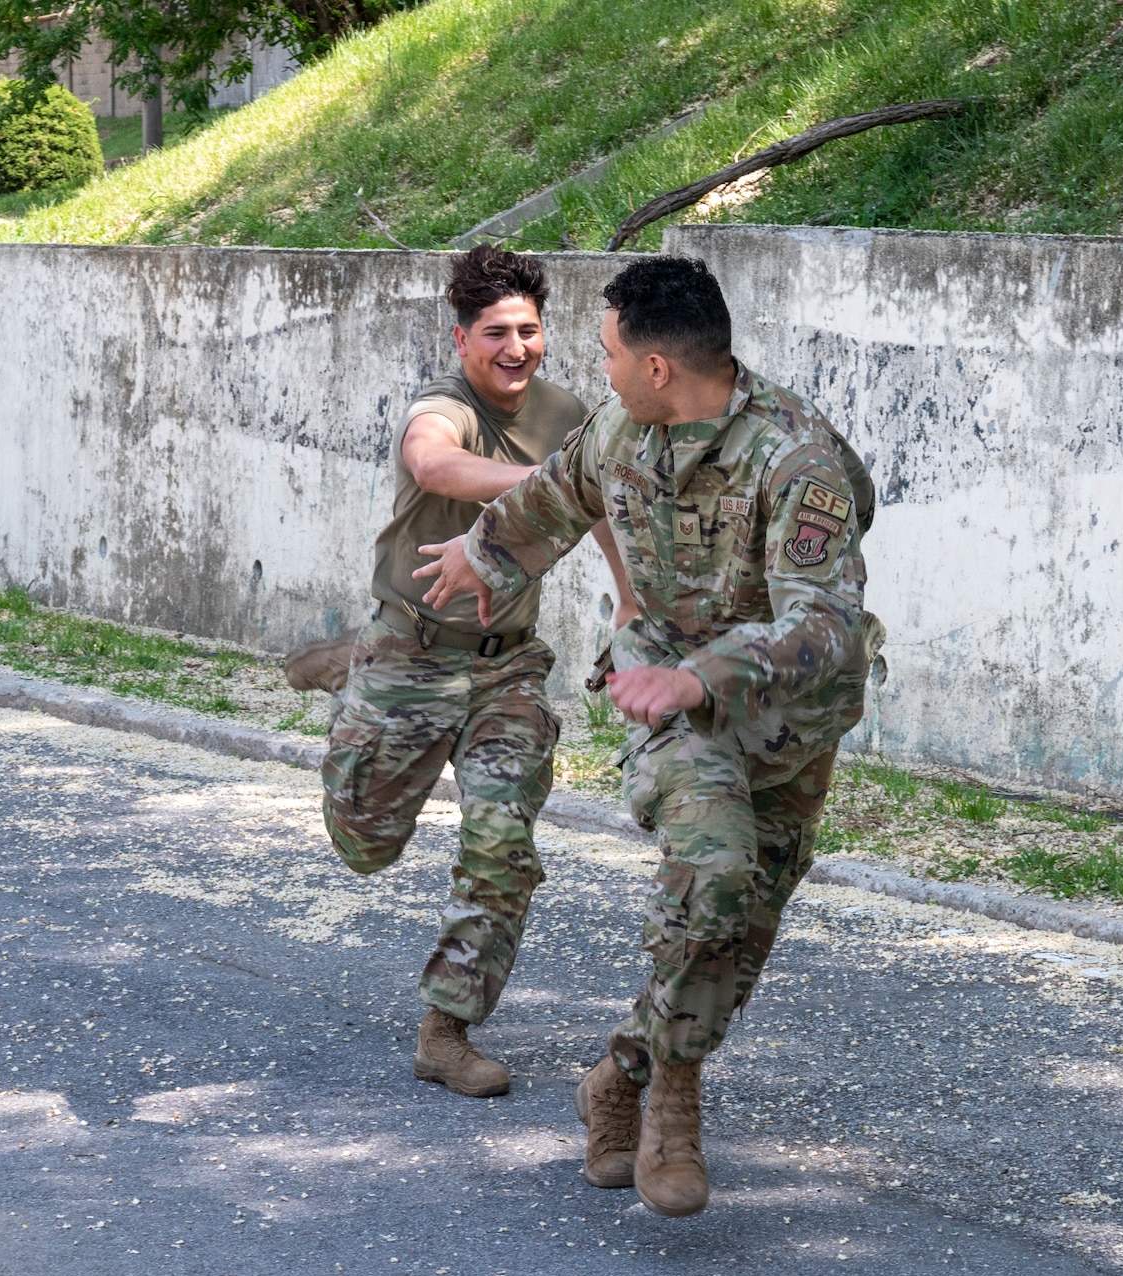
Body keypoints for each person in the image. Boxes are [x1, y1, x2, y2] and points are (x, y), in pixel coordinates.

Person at [412, 255, 880, 1217]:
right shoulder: (621, 428)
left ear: (660, 366)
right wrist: (479, 550)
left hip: (784, 721)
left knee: (733, 946)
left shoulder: (797, 461)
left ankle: (619, 1074)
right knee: (711, 880)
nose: (600, 367)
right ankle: (674, 1102)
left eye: (611, 350)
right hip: (666, 699)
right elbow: (552, 495)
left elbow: (826, 625)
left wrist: (706, 670)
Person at [287, 244, 635, 1099]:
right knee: (364, 843)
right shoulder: (441, 407)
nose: (515, 348)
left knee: (503, 840)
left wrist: (631, 603)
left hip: (506, 668)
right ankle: (352, 676)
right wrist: (549, 486)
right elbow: (435, 464)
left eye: (529, 330)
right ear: (461, 339)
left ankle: (447, 1028)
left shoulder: (570, 414)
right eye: (495, 334)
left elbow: (603, 515)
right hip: (410, 651)